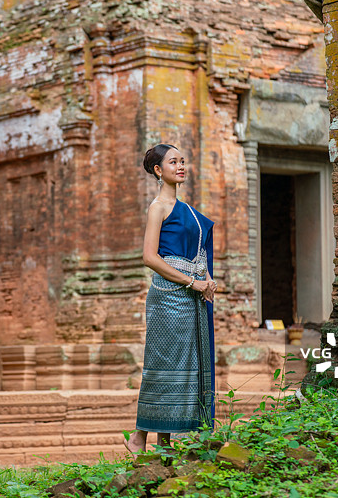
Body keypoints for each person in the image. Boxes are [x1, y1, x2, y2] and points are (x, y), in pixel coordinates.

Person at [124, 143, 218, 456]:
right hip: (167, 297)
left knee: (183, 364)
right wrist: (192, 280)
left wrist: (204, 279)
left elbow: (197, 253)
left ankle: (165, 442)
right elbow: (149, 257)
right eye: (173, 162)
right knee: (161, 362)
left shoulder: (188, 211)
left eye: (182, 161)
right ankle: (139, 437)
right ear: (157, 170)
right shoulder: (158, 208)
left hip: (190, 297)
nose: (180, 166)